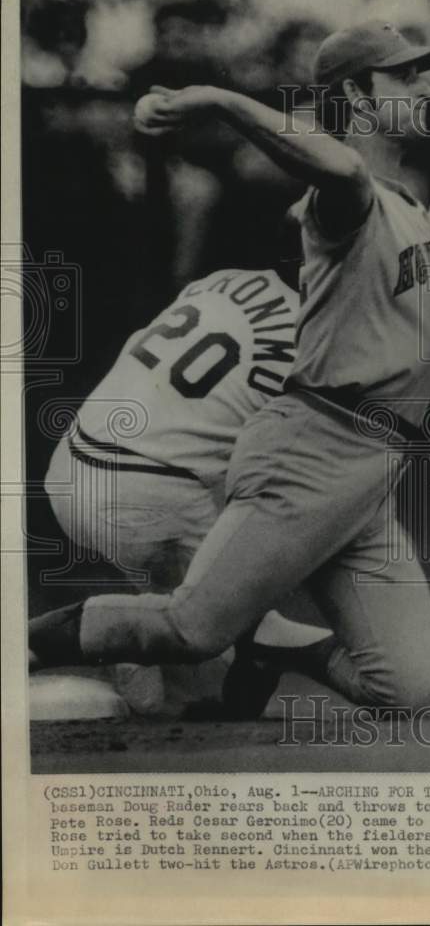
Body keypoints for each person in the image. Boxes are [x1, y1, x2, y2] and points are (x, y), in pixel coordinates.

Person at [30, 21, 430, 712]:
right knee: (193, 630)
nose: (425, 85)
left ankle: (272, 648)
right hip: (319, 441)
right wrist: (218, 100)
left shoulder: (411, 205)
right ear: (353, 92)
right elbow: (343, 170)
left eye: (421, 72)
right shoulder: (345, 199)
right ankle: (26, 644)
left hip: (376, 457)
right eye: (404, 75)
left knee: (409, 686)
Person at [42, 266, 300, 712]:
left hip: (67, 465)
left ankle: (141, 667)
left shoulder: (223, 278)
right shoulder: (320, 340)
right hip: (151, 499)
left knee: (171, 585)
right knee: (251, 623)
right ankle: (130, 646)